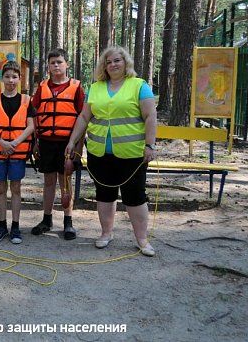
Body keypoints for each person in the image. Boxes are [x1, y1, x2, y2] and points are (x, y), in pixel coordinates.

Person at [65, 46, 157, 256]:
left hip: (132, 153)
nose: (113, 65)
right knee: (104, 194)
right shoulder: (95, 88)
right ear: (103, 66)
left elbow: (150, 116)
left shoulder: (139, 86)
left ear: (126, 63)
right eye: (109, 62)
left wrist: (150, 145)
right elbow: (84, 117)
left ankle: (142, 240)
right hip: (99, 153)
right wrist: (72, 140)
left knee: (135, 196)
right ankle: (106, 233)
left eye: (117, 61)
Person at [31, 48, 86, 240]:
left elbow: (83, 118)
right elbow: (35, 115)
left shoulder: (76, 87)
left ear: (67, 64)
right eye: (52, 62)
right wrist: (36, 143)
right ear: (48, 66)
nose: (56, 65)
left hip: (67, 143)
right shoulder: (42, 87)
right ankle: (47, 219)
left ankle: (68, 222)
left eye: (59, 62)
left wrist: (78, 147)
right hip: (46, 142)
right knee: (48, 183)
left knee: (65, 182)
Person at [0, 61, 35, 244]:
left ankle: (15, 226)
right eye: (7, 76)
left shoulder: (26, 100)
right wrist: (1, 142)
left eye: (14, 77)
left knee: (15, 188)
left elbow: (31, 126)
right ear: (2, 78)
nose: (11, 80)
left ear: (19, 79)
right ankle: (2, 225)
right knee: (0, 189)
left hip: (17, 151)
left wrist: (14, 142)